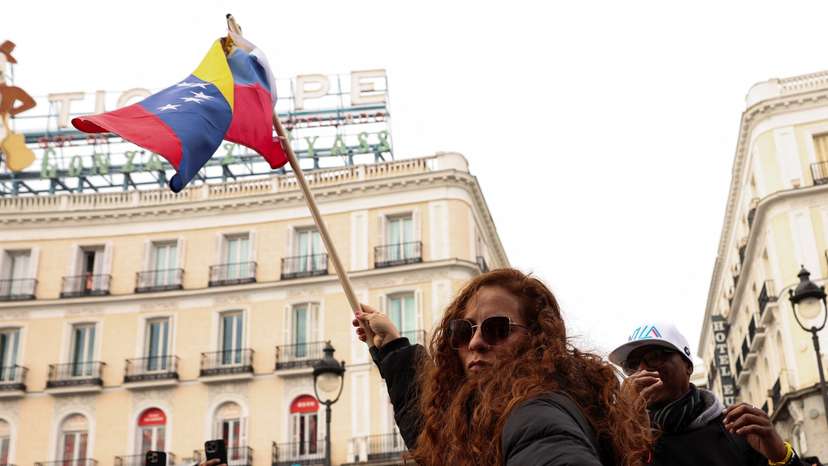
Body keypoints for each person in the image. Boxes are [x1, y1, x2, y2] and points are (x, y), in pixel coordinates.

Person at [354, 268, 653, 466]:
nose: (476, 342)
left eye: (497, 329)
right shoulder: (483, 415)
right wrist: (394, 348)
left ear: (537, 339)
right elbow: (435, 437)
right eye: (463, 330)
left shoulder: (535, 410)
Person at [608, 322, 807, 466]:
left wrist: (781, 456)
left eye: (654, 357)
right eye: (633, 365)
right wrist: (627, 425)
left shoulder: (737, 428)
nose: (642, 370)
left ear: (687, 366)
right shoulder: (625, 437)